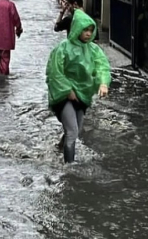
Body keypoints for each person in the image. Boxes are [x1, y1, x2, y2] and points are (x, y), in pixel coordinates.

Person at [46, 9, 111, 163]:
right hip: (63, 95)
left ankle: (60, 147)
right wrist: (67, 90)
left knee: (76, 129)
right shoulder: (62, 48)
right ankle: (69, 168)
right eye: (85, 30)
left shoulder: (94, 50)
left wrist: (103, 83)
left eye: (91, 30)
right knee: (73, 131)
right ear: (77, 29)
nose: (88, 33)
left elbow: (102, 67)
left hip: (83, 95)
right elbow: (54, 72)